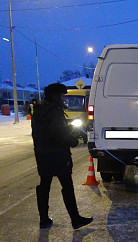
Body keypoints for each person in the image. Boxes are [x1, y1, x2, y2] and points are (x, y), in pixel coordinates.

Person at [32, 83, 93, 229]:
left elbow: (44, 132)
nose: (63, 98)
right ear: (55, 96)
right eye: (61, 95)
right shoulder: (55, 111)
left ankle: (44, 219)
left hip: (42, 154)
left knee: (44, 185)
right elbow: (58, 134)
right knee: (67, 186)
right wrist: (72, 140)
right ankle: (75, 219)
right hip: (58, 155)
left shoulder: (39, 110)